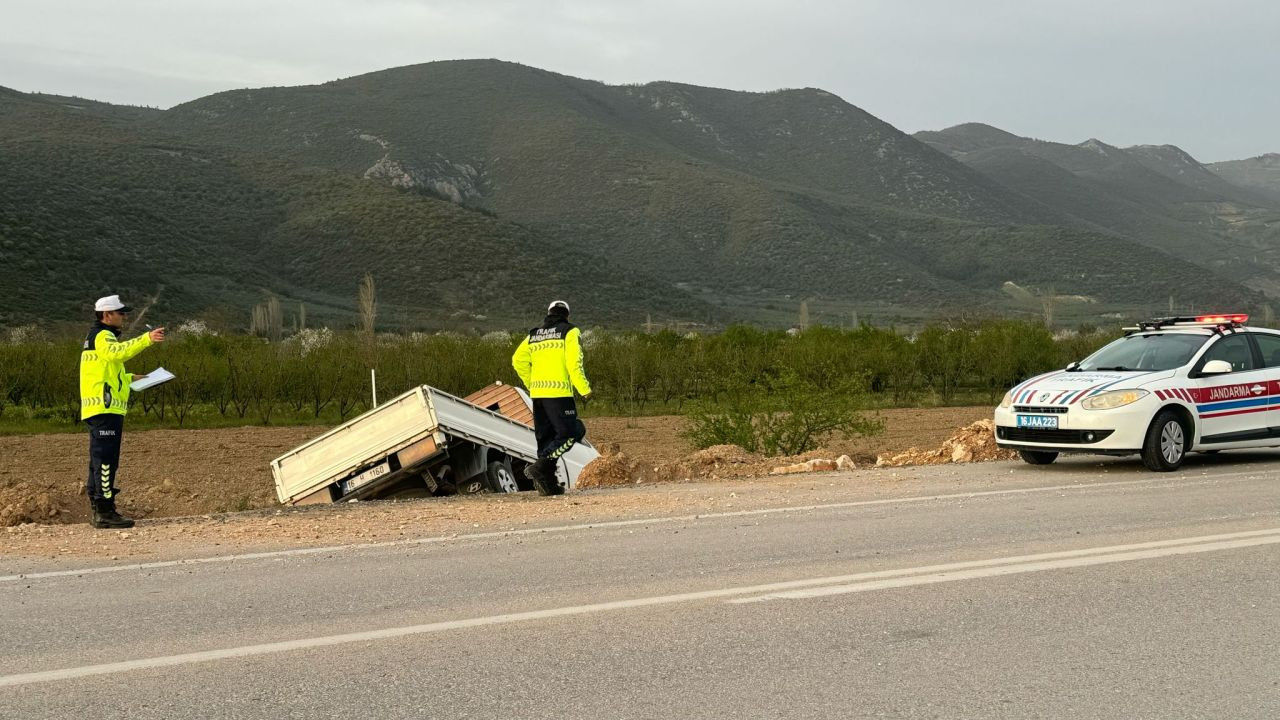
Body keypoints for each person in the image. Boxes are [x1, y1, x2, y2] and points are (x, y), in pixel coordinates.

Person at [79, 295, 165, 528]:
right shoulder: (103, 336)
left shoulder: (96, 338)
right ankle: (105, 512)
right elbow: (118, 354)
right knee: (106, 462)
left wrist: (133, 378)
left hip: (100, 407)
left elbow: (105, 372)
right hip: (105, 408)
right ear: (107, 315)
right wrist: (146, 339)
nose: (124, 317)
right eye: (120, 313)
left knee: (98, 461)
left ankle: (100, 508)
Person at [511, 300, 591, 495]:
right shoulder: (570, 332)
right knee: (571, 433)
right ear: (567, 315)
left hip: (538, 395)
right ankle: (541, 465)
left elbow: (517, 360)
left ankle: (547, 486)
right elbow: (575, 362)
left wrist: (532, 384)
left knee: (545, 439)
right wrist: (583, 388)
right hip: (559, 393)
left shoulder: (534, 335)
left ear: (549, 314)